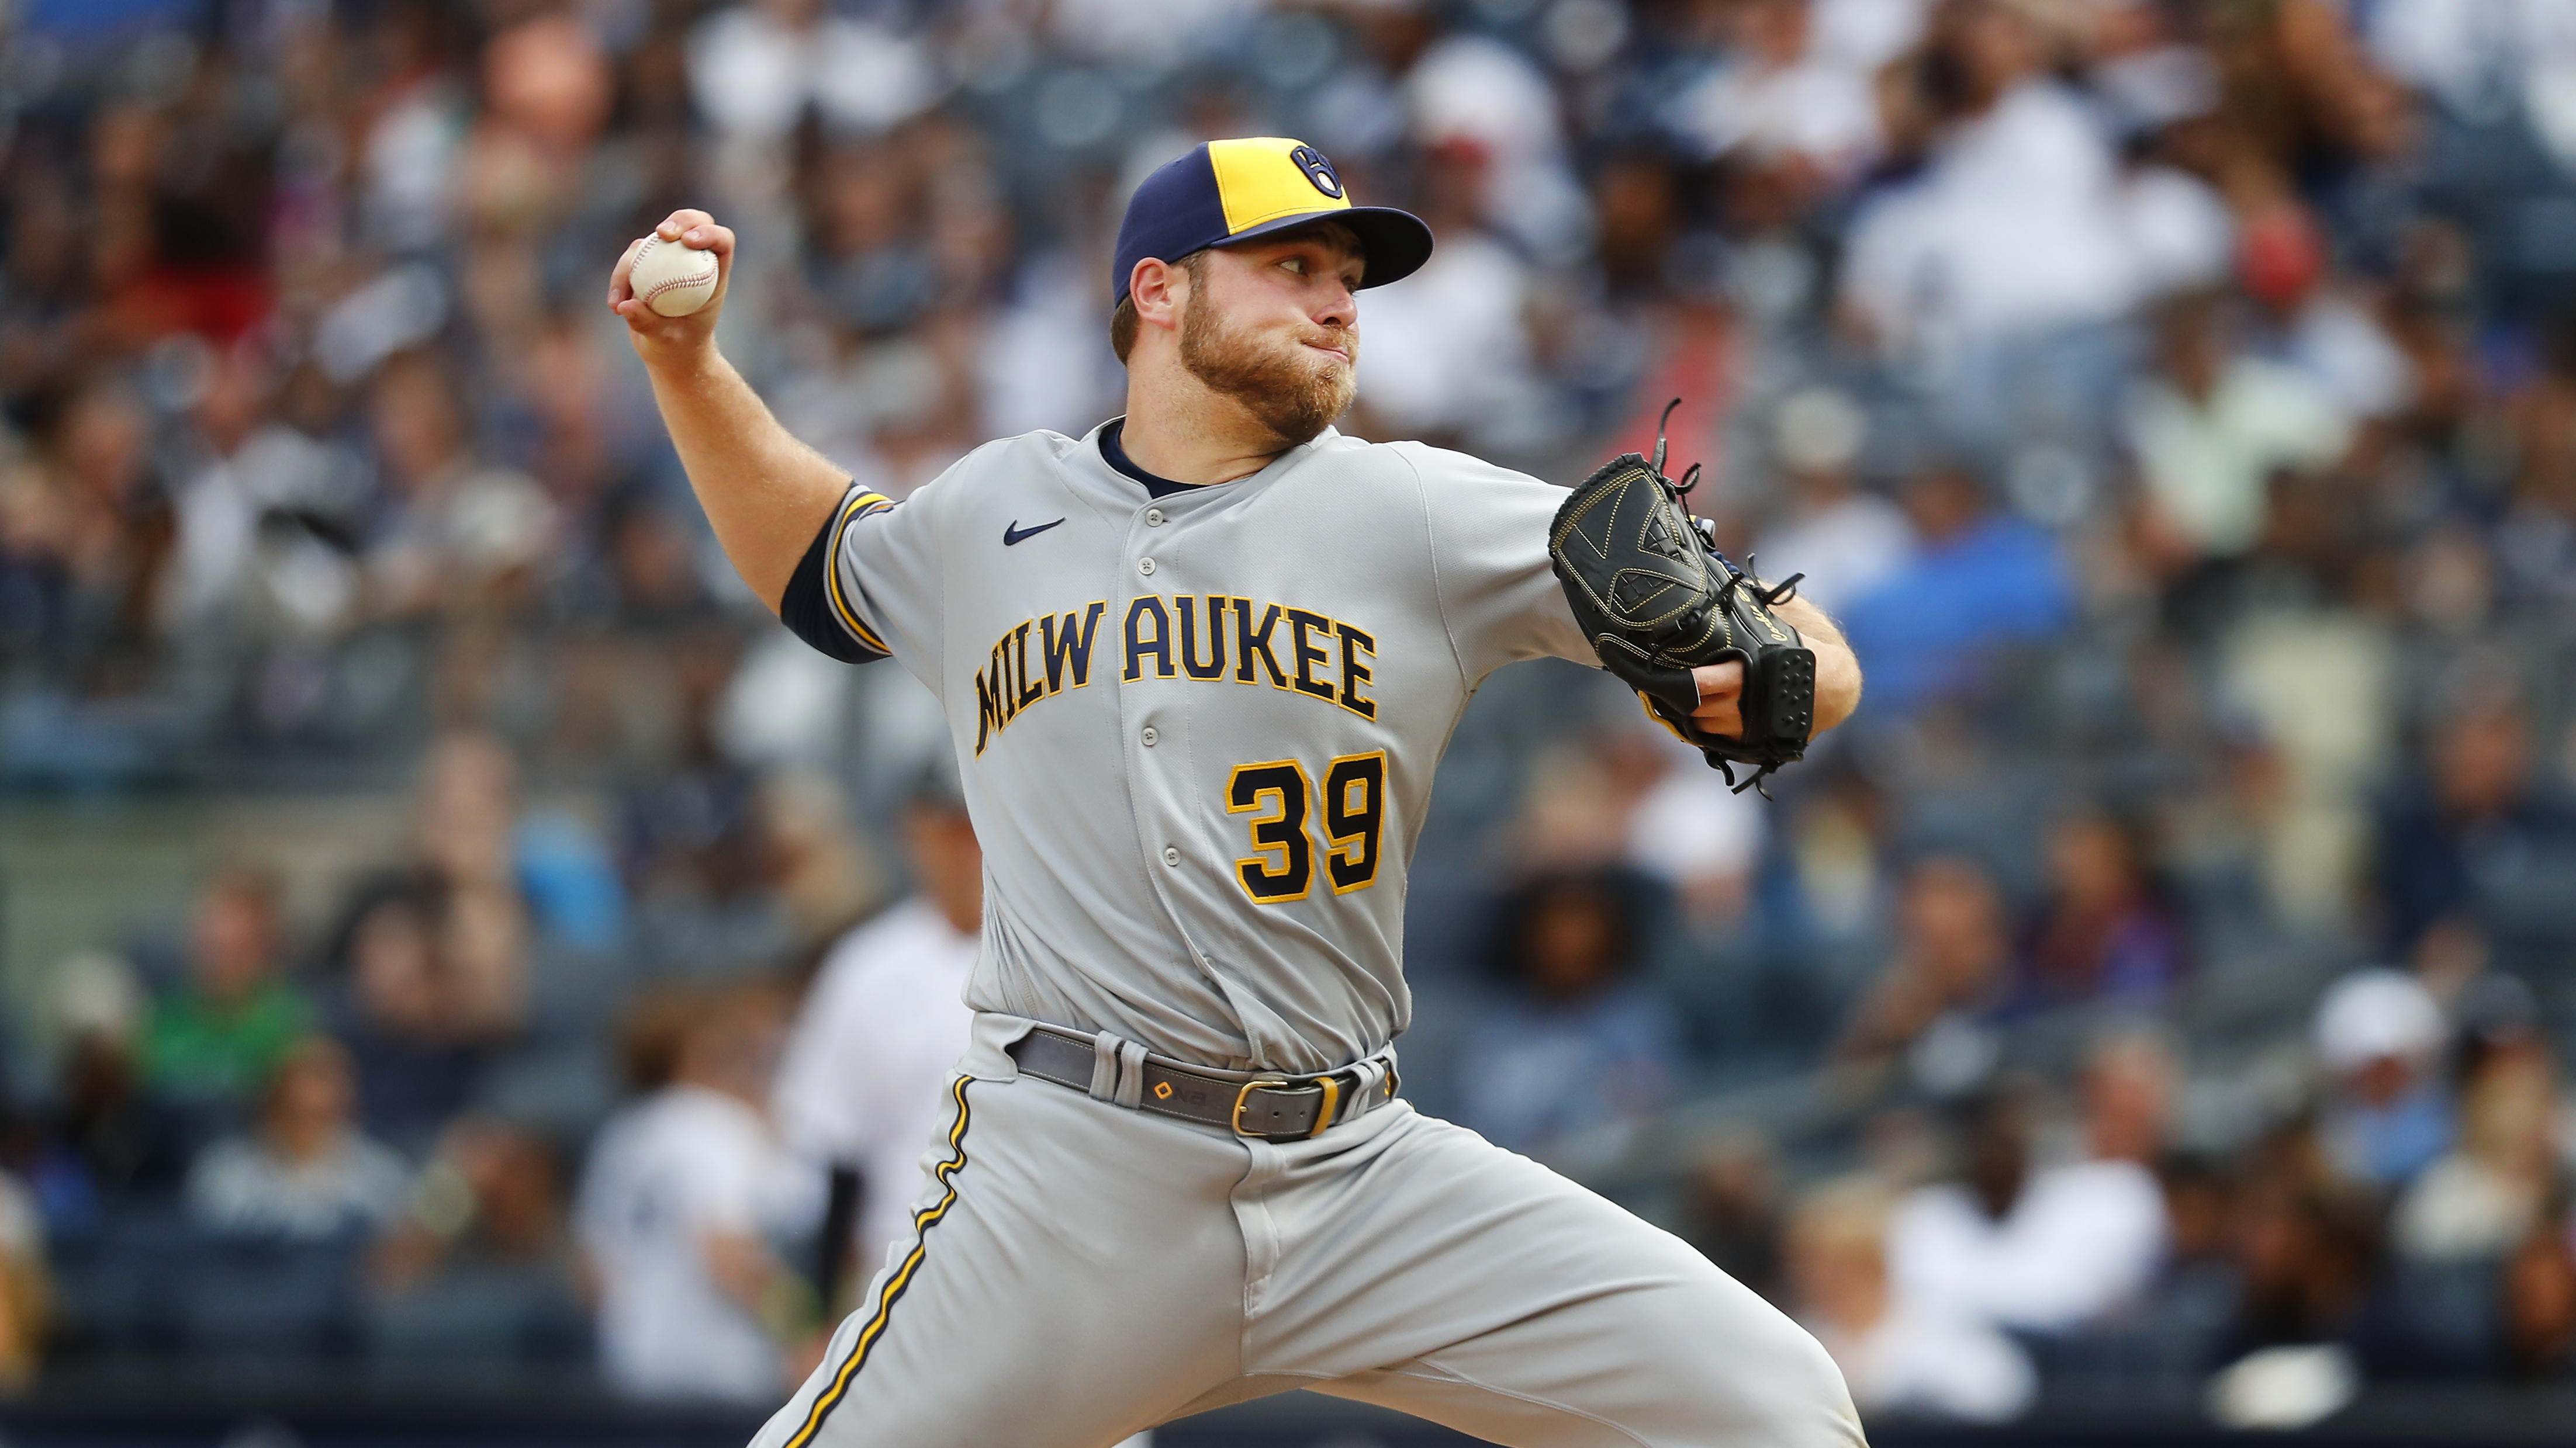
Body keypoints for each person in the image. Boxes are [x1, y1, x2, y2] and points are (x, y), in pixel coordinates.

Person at [608, 136, 1865, 1447]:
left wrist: (1792, 678)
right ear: (1158, 290)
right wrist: (685, 366)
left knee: (1776, 1410)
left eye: (1348, 280)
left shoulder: (1418, 508)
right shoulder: (994, 510)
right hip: (1070, 1183)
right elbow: (817, 558)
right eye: (1292, 266)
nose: (1337, 304)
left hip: (1356, 1172)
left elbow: (1797, 648)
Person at [771, 768, 983, 1308]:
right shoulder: (868, 966)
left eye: (974, 827)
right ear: (914, 833)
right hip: (899, 1266)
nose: (964, 850)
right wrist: (821, 1306)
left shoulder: (1057, 958)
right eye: (948, 830)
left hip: (1029, 1266)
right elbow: (834, 1144)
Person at [576, 984, 812, 1404]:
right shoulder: (712, 1124)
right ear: (684, 1057)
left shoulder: (622, 1135)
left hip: (633, 1368)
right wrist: (805, 1331)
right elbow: (727, 1256)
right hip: (721, 1375)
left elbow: (591, 1273)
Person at [184, 1036, 413, 1241]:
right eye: (318, 1076)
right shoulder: (223, 1172)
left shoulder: (383, 1172)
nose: (333, 1091)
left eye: (340, 1079)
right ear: (273, 1091)